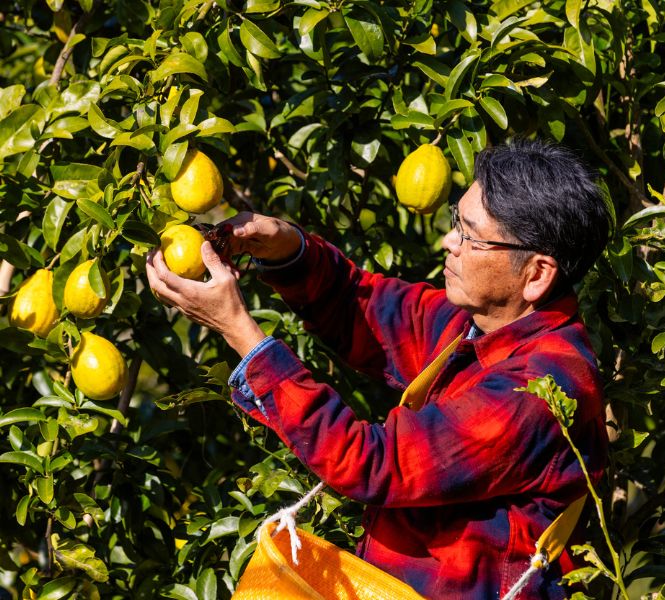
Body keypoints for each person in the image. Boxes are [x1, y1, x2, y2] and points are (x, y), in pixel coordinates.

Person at [146, 139, 610, 599]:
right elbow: (366, 310)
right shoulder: (479, 326)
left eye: (470, 235)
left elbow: (373, 463)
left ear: (536, 274)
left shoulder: (542, 388)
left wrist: (241, 334)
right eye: (456, 222)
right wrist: (288, 250)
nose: (449, 242)